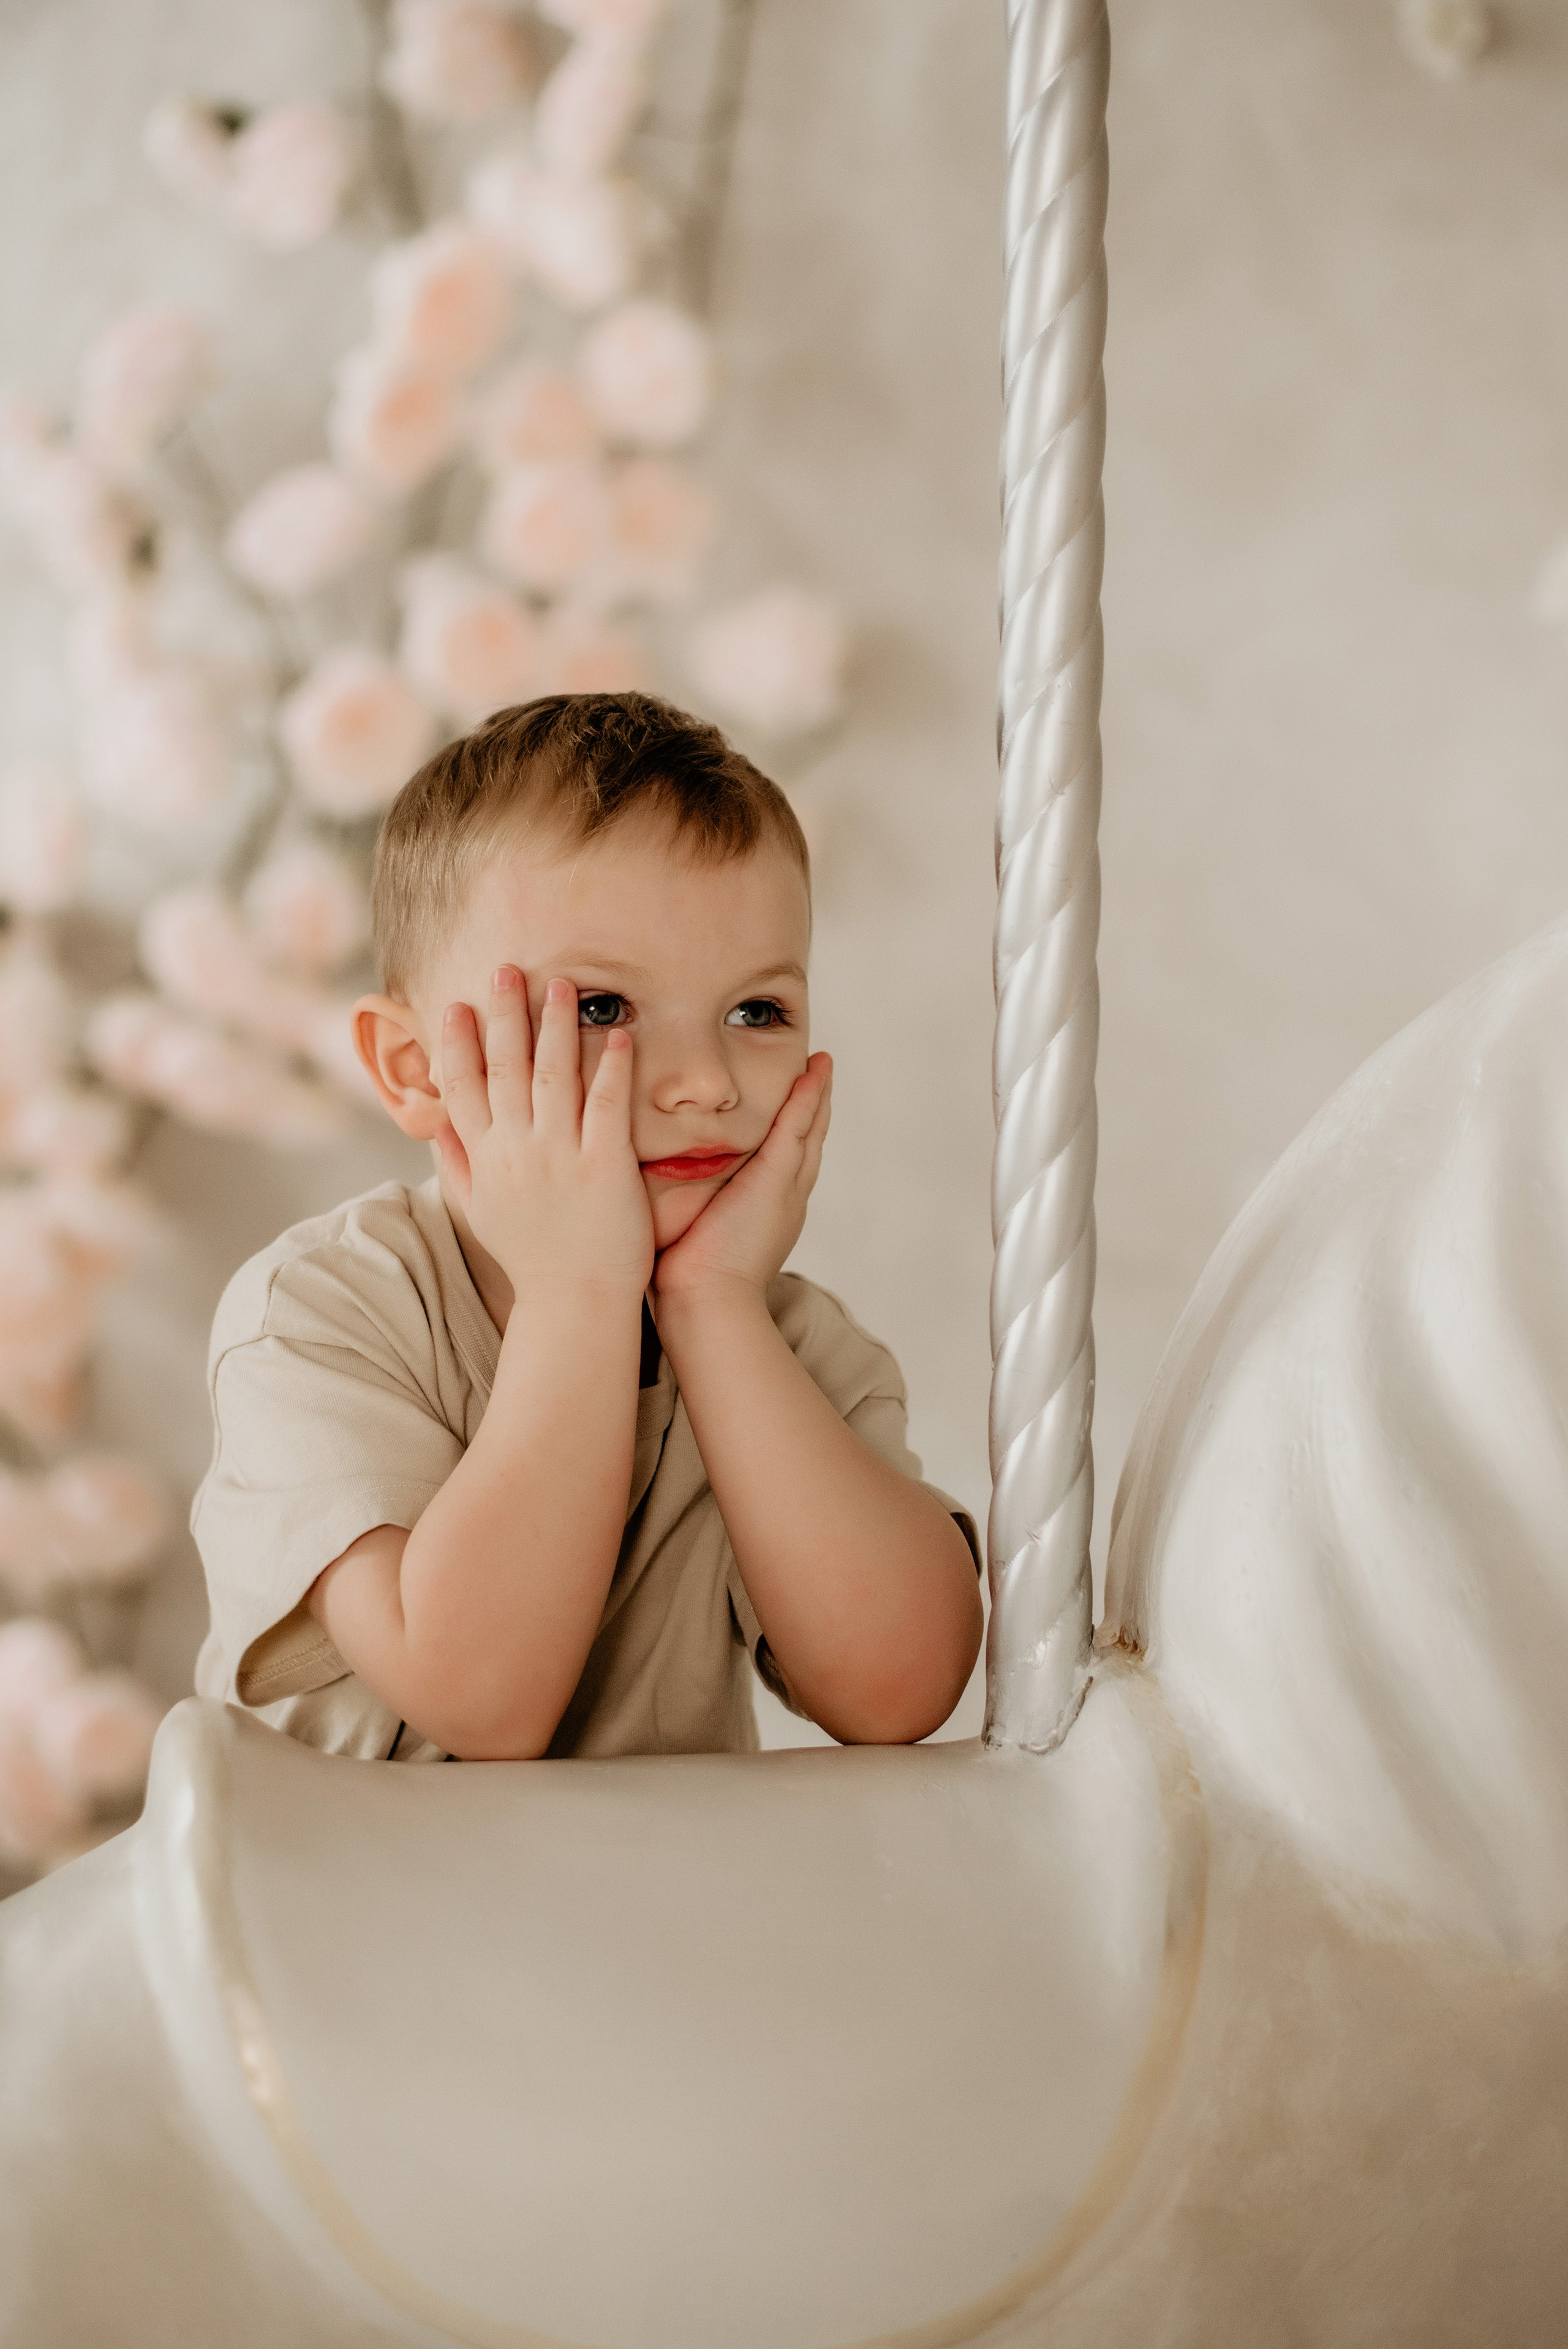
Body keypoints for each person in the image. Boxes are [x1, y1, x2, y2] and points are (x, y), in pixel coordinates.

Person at [192, 693, 983, 1763]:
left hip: (640, 1876)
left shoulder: (791, 1346)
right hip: (335, 1872)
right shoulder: (323, 1314)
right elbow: (482, 1702)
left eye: (755, 1012)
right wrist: (578, 1294)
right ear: (416, 1069)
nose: (704, 1083)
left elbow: (901, 1693)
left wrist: (712, 1308)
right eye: (602, 1010)